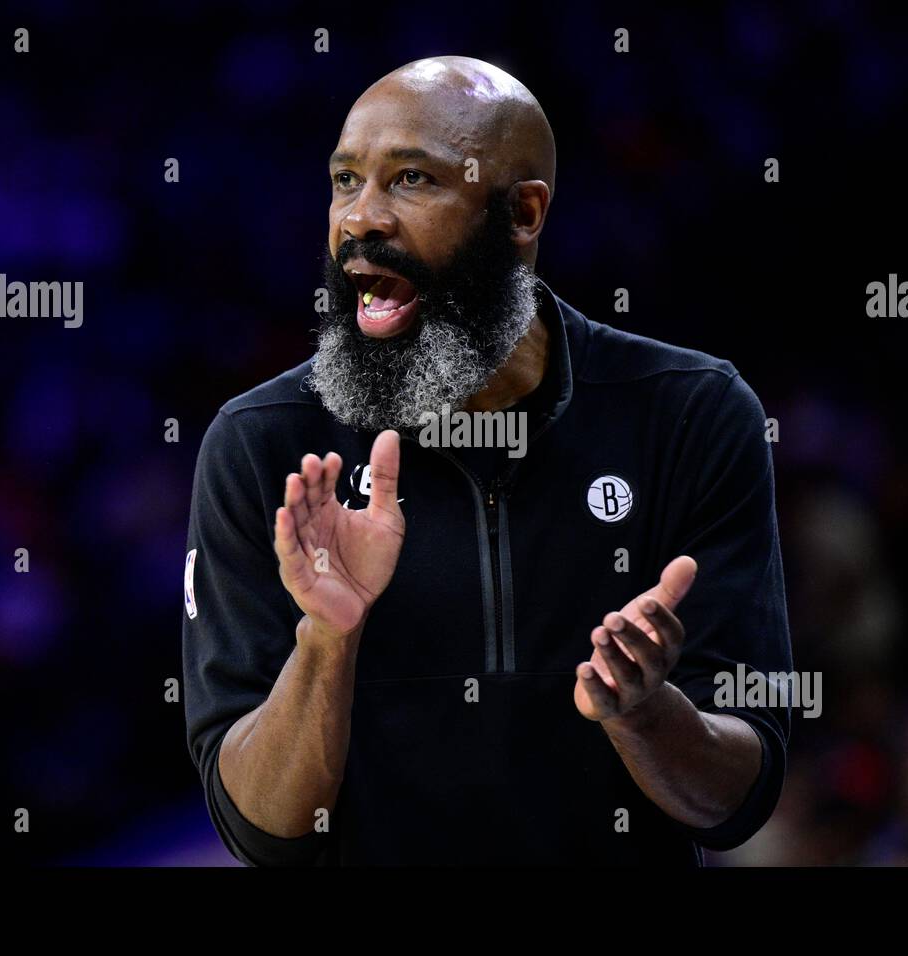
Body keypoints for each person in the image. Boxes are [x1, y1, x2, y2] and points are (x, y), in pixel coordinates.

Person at [182, 55, 793, 865]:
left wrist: (645, 713)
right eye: (344, 180)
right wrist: (326, 640)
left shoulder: (691, 413)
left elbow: (735, 801)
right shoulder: (263, 445)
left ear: (523, 213)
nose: (360, 219)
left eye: (410, 180)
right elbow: (259, 828)